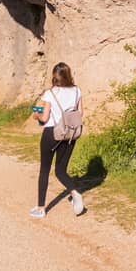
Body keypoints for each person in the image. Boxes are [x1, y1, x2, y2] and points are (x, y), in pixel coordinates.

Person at [31, 62, 84, 218]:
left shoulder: (50, 93)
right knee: (61, 171)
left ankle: (41, 208)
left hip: (51, 133)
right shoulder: (77, 91)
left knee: (44, 170)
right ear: (69, 74)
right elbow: (80, 113)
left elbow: (45, 117)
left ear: (54, 76)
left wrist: (37, 115)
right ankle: (75, 193)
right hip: (70, 133)